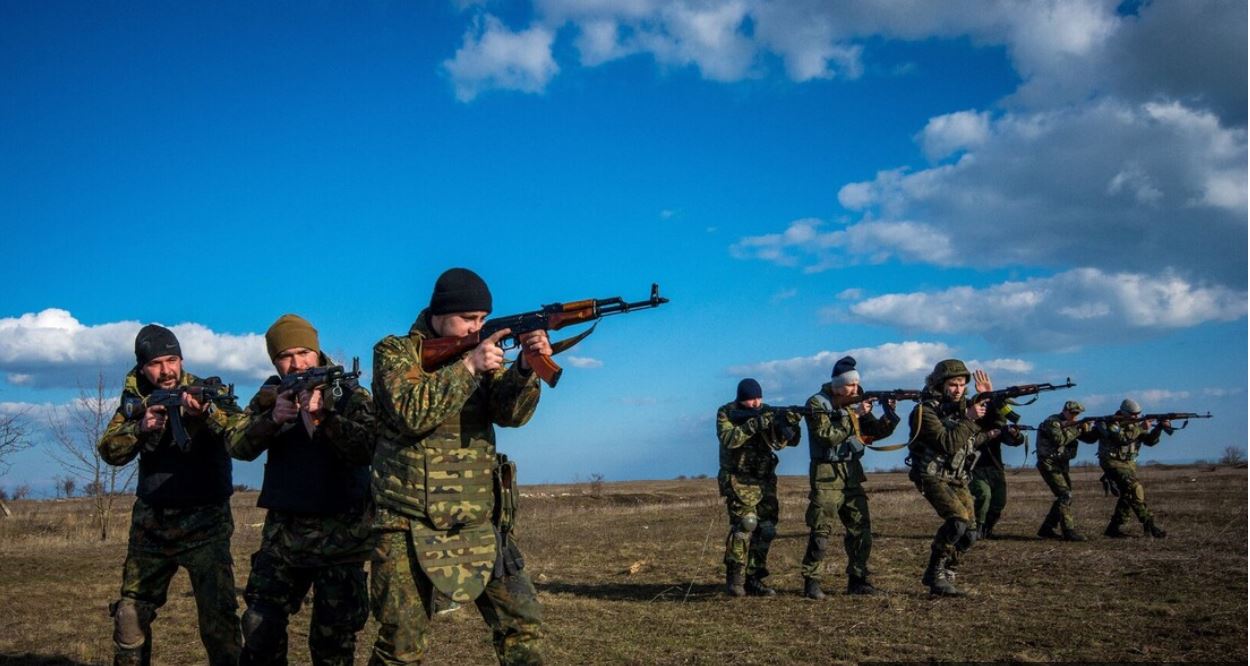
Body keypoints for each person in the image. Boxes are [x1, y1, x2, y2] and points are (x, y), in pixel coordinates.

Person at [368, 268, 549, 665]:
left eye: (483, 320)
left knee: (523, 628)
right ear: (438, 313)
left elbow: (510, 415)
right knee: (401, 645)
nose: (478, 328)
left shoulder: (482, 353)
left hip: (478, 519)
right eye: (469, 319)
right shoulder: (394, 351)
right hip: (407, 523)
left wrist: (523, 371)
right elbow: (409, 413)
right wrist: (468, 367)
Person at [226, 314, 376, 665]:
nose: (296, 364)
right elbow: (235, 445)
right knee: (260, 626)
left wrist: (325, 417)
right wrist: (272, 420)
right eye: (285, 356)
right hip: (284, 536)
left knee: (332, 644)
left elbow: (367, 447)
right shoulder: (271, 395)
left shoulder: (348, 392)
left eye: (304, 352)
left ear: (317, 350)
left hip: (342, 537)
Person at [97, 324, 242, 666]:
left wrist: (206, 413)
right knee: (130, 615)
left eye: (172, 360)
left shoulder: (208, 392)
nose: (166, 371)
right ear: (142, 366)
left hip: (206, 523)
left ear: (182, 359)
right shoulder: (135, 401)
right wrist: (140, 427)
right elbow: (109, 451)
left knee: (219, 620)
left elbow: (242, 436)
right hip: (152, 524)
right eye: (156, 363)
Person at [799, 356, 898, 599]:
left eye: (857, 385)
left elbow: (873, 431)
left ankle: (858, 579)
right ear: (836, 385)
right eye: (850, 385)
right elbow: (826, 436)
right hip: (826, 475)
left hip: (852, 474)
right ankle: (812, 581)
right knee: (821, 530)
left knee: (861, 528)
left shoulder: (856, 403)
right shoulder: (816, 403)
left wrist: (889, 415)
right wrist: (852, 415)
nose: (855, 389)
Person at [906, 359, 1002, 597]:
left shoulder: (963, 409)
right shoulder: (924, 412)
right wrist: (969, 418)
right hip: (930, 475)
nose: (958, 389)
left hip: (956, 476)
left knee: (971, 532)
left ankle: (948, 570)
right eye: (953, 384)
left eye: (961, 384)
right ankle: (934, 574)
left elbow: (981, 432)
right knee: (957, 521)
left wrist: (988, 399)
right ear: (940, 384)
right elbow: (947, 443)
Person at [715, 378, 801, 597]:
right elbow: (728, 439)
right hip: (738, 480)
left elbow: (788, 442)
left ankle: (754, 577)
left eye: (758, 398)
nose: (756, 403)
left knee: (767, 529)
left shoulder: (769, 411)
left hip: (765, 480)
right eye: (751, 399)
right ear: (742, 398)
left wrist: (790, 423)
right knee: (745, 525)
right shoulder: (726, 412)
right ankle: (735, 578)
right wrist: (755, 423)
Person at [1096, 399, 1171, 538]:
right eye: (1133, 415)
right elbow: (1122, 439)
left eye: (1138, 414)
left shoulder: (1135, 425)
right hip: (1112, 463)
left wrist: (1159, 427)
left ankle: (1113, 529)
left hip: (1128, 465)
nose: (1137, 417)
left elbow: (1150, 441)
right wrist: (1142, 427)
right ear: (1124, 413)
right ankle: (1150, 526)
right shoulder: (1112, 423)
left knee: (1126, 495)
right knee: (1135, 489)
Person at [1035, 400, 1099, 541]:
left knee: (1065, 496)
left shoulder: (1072, 425)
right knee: (1065, 495)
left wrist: (1097, 429)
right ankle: (1068, 531)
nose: (1075, 416)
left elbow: (1089, 440)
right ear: (1065, 411)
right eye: (1073, 413)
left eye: (1077, 414)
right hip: (1049, 464)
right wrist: (1078, 428)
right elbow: (1060, 439)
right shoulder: (1052, 422)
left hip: (1060, 465)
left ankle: (1047, 528)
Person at [967, 406, 1026, 540]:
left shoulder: (997, 425)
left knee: (999, 501)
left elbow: (1014, 441)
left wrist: (1015, 434)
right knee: (984, 496)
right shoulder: (968, 425)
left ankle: (987, 529)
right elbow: (967, 442)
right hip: (975, 469)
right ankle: (977, 529)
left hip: (995, 469)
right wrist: (987, 436)